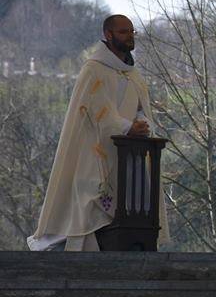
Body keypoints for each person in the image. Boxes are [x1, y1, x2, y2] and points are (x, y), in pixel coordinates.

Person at [29, 14, 164, 251]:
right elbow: (98, 109)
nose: (130, 36)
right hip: (96, 154)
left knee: (131, 208)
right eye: (123, 32)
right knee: (88, 208)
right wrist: (126, 127)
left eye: (132, 31)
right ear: (108, 35)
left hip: (129, 157)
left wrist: (141, 124)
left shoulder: (134, 75)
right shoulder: (93, 70)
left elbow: (141, 109)